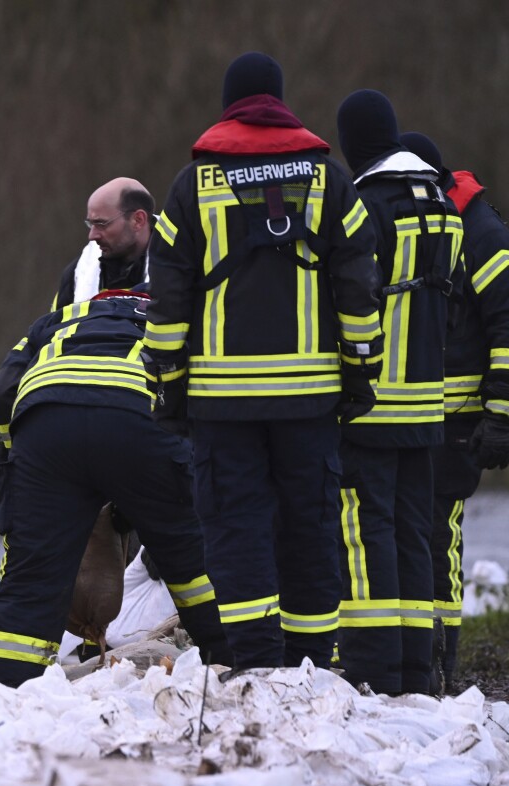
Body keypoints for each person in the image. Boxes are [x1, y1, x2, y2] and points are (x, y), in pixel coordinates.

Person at [142, 52, 383, 676]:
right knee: (311, 526)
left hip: (222, 404)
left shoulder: (191, 186)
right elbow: (358, 286)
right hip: (311, 400)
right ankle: (309, 666)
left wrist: (167, 386)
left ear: (229, 106)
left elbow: (167, 303)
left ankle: (255, 665)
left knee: (235, 527)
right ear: (280, 103)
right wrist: (360, 370)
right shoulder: (330, 182)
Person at [0, 287, 232, 687]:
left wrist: (18, 454)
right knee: (192, 566)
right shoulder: (181, 316)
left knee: (30, 581)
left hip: (47, 424)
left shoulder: (60, 319)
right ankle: (231, 670)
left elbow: (3, 390)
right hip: (138, 420)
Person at [335, 92, 463, 695]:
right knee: (416, 531)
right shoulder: (443, 204)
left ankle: (376, 673)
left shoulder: (365, 206)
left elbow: (356, 299)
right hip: (428, 402)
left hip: (373, 403)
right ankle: (418, 671)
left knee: (367, 533)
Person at [401, 131, 509, 689]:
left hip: (458, 423)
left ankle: (442, 665)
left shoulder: (480, 232)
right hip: (414, 417)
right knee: (413, 536)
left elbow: (506, 324)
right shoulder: (432, 224)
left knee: (440, 540)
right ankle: (423, 659)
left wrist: (500, 415)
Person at [49, 178, 156, 310]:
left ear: (138, 220)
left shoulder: (181, 264)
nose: (92, 236)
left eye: (101, 224)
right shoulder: (77, 274)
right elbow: (55, 327)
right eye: (91, 224)